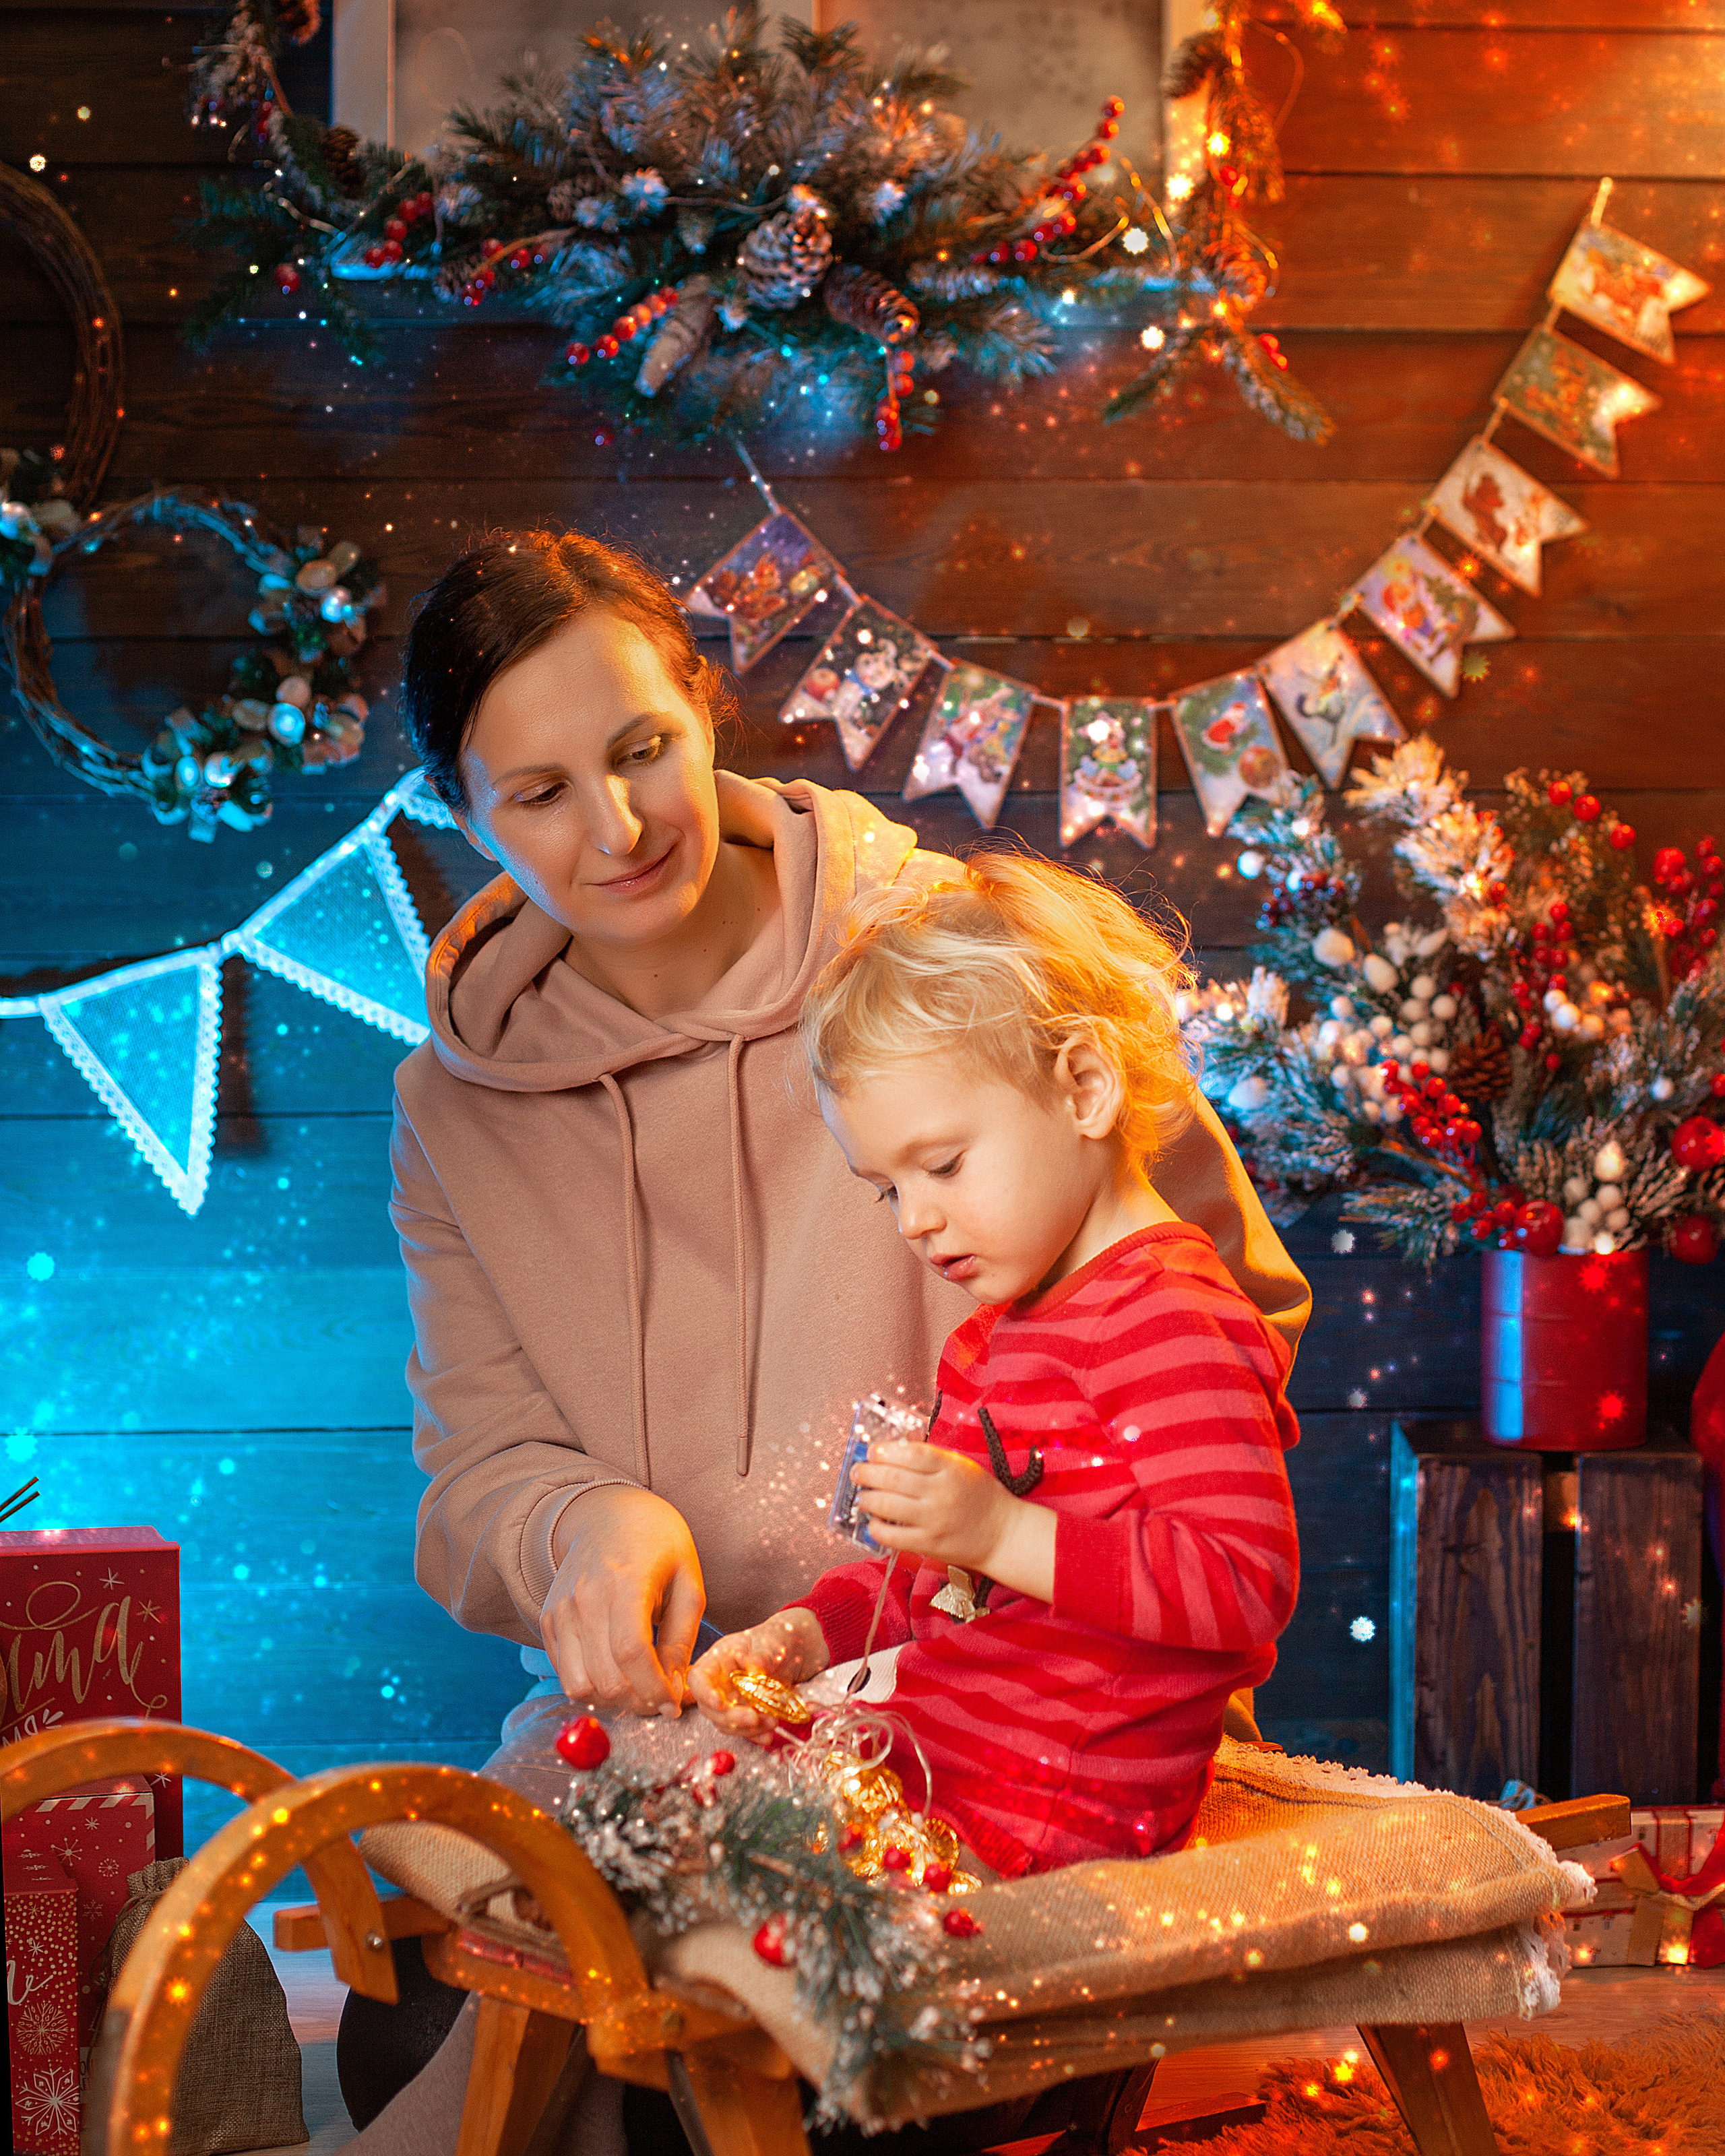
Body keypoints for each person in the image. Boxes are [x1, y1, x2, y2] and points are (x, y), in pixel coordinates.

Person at [349, 527, 1310, 2147]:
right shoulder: (454, 1108)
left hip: (1007, 1748)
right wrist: (574, 1522)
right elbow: (476, 1472)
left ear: (704, 706)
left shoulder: (945, 965)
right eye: (538, 795)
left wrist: (1013, 1548)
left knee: (737, 2085)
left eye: (642, 749)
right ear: (461, 815)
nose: (620, 825)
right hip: (701, 1727)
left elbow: (1213, 1325)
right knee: (425, 2037)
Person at [689, 855, 1300, 1876]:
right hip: (959, 1746)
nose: (917, 1220)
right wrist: (806, 1634)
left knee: (726, 1855)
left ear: (1086, 1088)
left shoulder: (1170, 1318)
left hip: (1065, 1795)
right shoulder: (1003, 1332)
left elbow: (1242, 1586)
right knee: (685, 1799)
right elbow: (949, 1589)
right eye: (886, 1189)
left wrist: (1003, 1526)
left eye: (942, 1165)